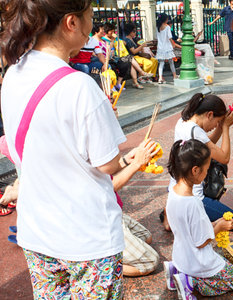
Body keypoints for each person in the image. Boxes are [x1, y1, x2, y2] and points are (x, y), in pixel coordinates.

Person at [0, 1, 128, 298]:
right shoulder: (80, 87)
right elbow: (108, 164)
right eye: (89, 20)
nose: (90, 30)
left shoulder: (13, 75)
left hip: (37, 231)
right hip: (86, 236)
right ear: (71, 23)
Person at [164, 139, 233, 299]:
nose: (207, 174)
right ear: (195, 170)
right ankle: (190, 281)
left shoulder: (173, 192)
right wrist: (220, 227)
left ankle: (176, 269)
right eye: (206, 170)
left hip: (181, 256)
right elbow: (201, 241)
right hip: (197, 261)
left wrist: (216, 222)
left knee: (222, 260)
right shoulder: (193, 203)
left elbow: (189, 227)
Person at [161, 93, 233, 231]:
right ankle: (180, 218)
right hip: (194, 196)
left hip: (176, 189)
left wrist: (221, 126)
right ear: (209, 115)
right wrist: (226, 128)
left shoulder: (183, 122)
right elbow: (224, 157)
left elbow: (205, 148)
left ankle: (173, 214)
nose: (216, 126)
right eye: (217, 122)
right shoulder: (196, 132)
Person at [111, 139, 161, 277]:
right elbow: (104, 188)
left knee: (146, 237)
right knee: (150, 261)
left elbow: (106, 170)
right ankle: (98, 264)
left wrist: (128, 160)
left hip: (113, 211)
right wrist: (137, 163)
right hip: (100, 218)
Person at [103, 22, 152, 89]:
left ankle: (136, 82)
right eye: (111, 31)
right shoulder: (104, 39)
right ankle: (140, 75)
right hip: (114, 58)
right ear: (107, 31)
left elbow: (124, 43)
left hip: (122, 56)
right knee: (130, 59)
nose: (112, 33)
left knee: (130, 62)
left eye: (113, 31)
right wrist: (113, 40)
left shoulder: (116, 37)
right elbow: (110, 48)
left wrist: (120, 41)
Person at [156, 13, 182, 84]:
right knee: (171, 62)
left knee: (161, 63)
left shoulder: (157, 27)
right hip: (167, 47)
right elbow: (170, 37)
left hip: (160, 47)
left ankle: (160, 78)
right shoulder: (167, 27)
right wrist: (173, 44)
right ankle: (174, 75)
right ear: (165, 20)